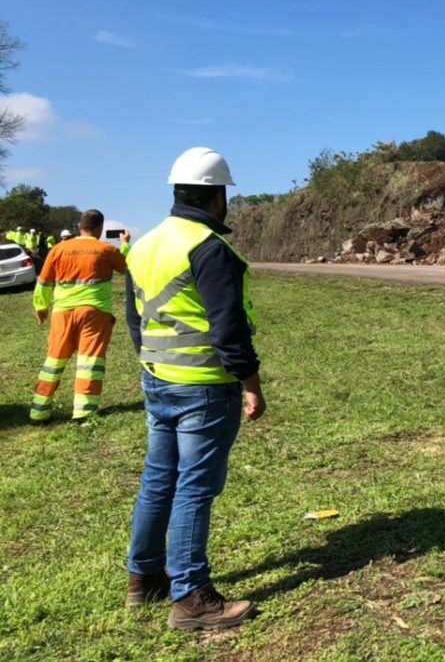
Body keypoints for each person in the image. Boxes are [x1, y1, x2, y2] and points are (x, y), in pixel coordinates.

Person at [124, 147, 266, 630]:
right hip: (205, 386)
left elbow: (135, 319)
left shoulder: (142, 246)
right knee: (194, 488)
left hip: (158, 380)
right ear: (218, 196)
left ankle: (143, 579)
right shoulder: (209, 248)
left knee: (158, 480)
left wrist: (153, 366)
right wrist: (252, 384)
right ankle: (190, 598)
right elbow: (229, 329)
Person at [30, 210, 131, 423]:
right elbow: (129, 268)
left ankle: (39, 411)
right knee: (89, 362)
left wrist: (41, 307)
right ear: (100, 228)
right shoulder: (106, 249)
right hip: (95, 312)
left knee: (54, 361)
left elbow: (44, 281)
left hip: (62, 312)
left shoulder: (58, 249)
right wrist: (126, 244)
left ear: (79, 226)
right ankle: (83, 413)